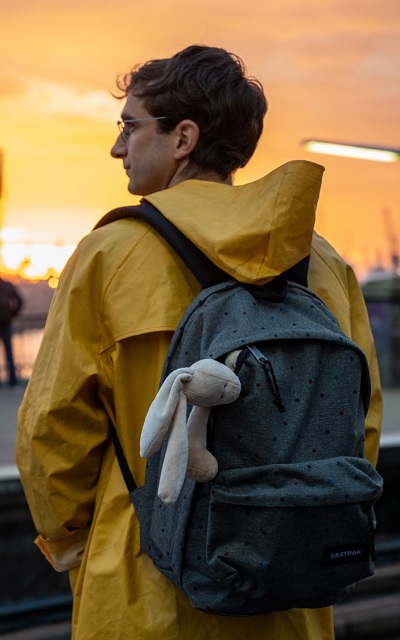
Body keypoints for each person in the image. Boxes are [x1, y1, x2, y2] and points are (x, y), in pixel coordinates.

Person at [16, 45, 382, 640]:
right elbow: (359, 424)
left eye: (130, 127)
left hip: (145, 595)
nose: (118, 147)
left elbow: (53, 431)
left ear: (183, 137)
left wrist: (80, 548)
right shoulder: (321, 263)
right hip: (287, 595)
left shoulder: (109, 256)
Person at [0, 276, 22, 386]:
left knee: (9, 353)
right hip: (6, 323)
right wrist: (12, 315)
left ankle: (12, 380)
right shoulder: (7, 285)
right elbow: (19, 301)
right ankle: (13, 381)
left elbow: (19, 301)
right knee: (9, 353)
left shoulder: (7, 285)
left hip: (5, 323)